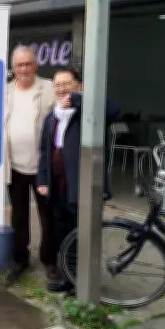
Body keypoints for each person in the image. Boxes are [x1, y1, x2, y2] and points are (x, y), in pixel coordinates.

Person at [36, 67, 120, 292]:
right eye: (58, 85)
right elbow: (45, 151)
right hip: (59, 187)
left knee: (83, 236)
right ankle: (68, 278)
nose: (62, 89)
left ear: (79, 85)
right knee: (63, 235)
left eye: (67, 84)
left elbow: (114, 110)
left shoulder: (89, 113)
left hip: (83, 187)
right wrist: (42, 180)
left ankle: (84, 284)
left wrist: (78, 99)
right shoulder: (52, 116)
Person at [5, 45, 56, 282]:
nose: (24, 69)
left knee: (48, 215)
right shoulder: (5, 91)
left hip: (43, 167)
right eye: (19, 65)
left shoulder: (50, 88)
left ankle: (50, 260)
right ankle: (20, 258)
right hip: (14, 165)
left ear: (35, 65)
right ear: (13, 68)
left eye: (27, 64)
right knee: (18, 214)